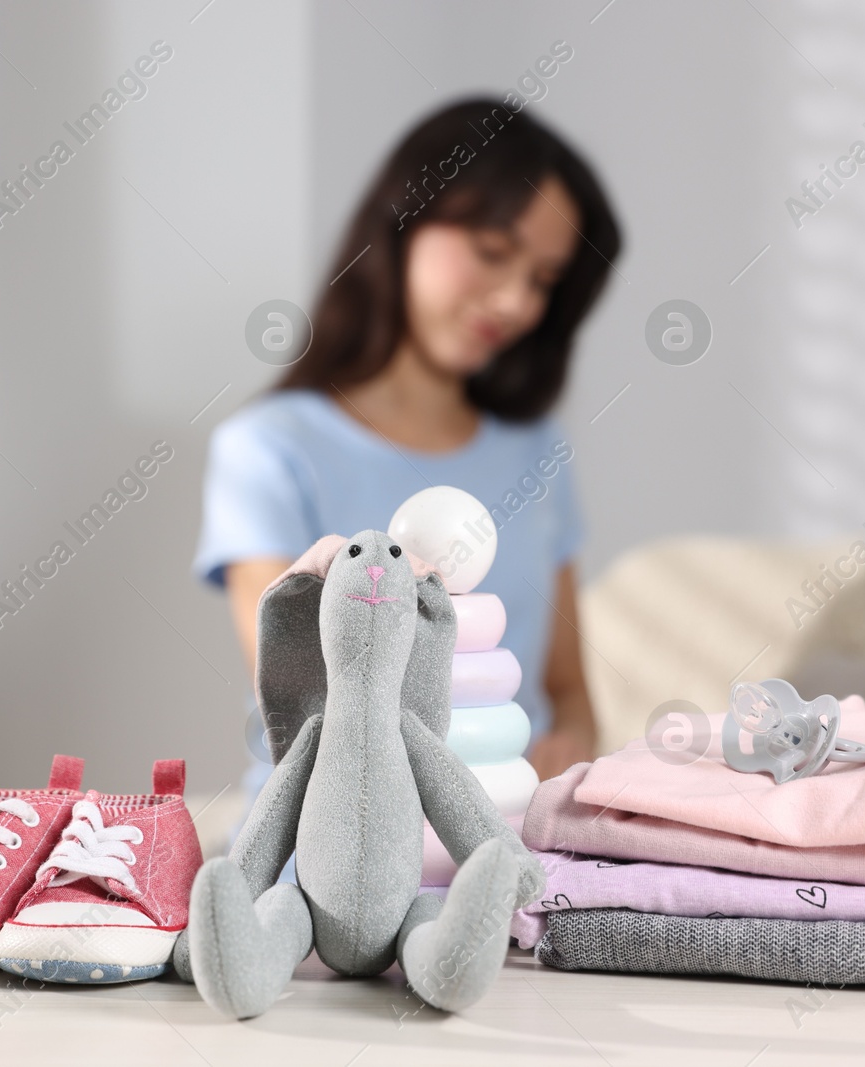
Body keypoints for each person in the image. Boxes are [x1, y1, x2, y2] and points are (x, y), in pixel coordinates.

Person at [195, 96, 621, 786]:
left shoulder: (537, 448)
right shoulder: (268, 449)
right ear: (404, 221)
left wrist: (566, 744)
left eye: (544, 280)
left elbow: (568, 694)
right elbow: (297, 699)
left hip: (513, 831)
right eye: (492, 252)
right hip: (336, 841)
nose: (517, 301)